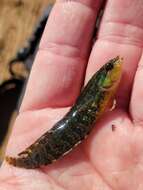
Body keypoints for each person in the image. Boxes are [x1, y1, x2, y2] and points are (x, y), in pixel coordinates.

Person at [0, 0, 143, 189]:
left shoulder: (103, 93)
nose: (116, 64)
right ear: (101, 82)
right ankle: (23, 161)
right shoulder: (101, 92)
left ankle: (22, 161)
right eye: (109, 67)